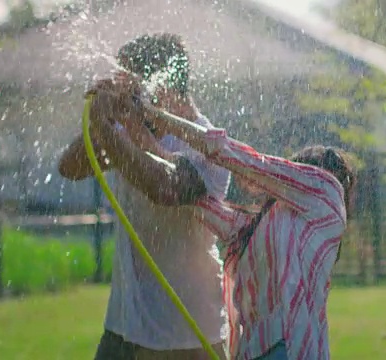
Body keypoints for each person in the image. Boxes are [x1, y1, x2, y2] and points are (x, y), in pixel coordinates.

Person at [87, 76, 357, 359]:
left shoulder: (326, 192)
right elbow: (196, 201)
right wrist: (133, 128)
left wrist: (158, 116)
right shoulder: (262, 225)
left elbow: (241, 159)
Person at [58, 33, 230, 360]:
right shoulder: (127, 130)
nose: (126, 93)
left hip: (183, 337)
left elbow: (164, 187)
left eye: (131, 84)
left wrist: (110, 129)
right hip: (122, 326)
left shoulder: (210, 145)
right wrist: (101, 121)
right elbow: (70, 167)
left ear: (160, 87)